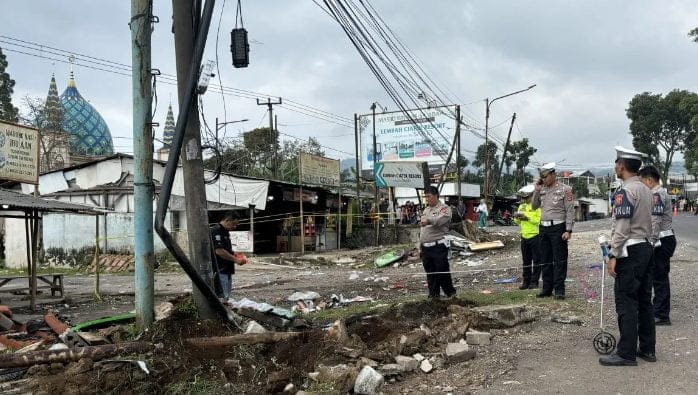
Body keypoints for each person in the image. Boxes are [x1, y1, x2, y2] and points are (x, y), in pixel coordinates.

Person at [599, 146, 655, 366]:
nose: (615, 166)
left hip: (629, 251)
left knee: (626, 302)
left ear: (621, 165)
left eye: (616, 162)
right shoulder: (646, 190)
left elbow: (622, 227)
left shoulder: (625, 192)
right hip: (646, 248)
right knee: (644, 301)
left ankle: (626, 353)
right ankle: (648, 349)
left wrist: (613, 254)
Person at [639, 165, 677, 326]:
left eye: (642, 182)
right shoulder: (657, 194)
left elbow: (655, 221)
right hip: (662, 240)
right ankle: (659, 311)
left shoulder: (657, 195)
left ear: (649, 180)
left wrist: (650, 241)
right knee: (658, 277)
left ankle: (662, 315)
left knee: (660, 278)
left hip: (661, 241)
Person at [531, 162, 575, 300]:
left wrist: (568, 230)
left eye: (546, 176)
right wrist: (537, 190)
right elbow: (534, 206)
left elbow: (570, 211)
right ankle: (547, 288)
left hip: (558, 228)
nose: (544, 179)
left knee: (559, 260)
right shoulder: (541, 188)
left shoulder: (565, 189)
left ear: (553, 174)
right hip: (543, 228)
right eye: (542, 177)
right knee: (545, 259)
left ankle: (559, 290)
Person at [419, 185, 457, 299]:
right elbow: (422, 229)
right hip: (426, 247)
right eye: (425, 197)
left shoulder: (444, 209)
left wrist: (429, 220)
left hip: (438, 246)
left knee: (442, 271)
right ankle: (434, 296)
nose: (427, 199)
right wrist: (419, 246)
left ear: (436, 196)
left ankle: (450, 294)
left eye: (429, 196)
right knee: (430, 273)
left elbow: (440, 221)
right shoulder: (426, 209)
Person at [210, 211, 247, 300]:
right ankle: (221, 313)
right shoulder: (216, 230)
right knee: (222, 297)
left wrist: (237, 255)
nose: (234, 227)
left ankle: (225, 311)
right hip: (220, 269)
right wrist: (236, 260)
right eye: (234, 224)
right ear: (228, 220)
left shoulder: (225, 231)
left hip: (226, 269)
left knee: (226, 296)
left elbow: (226, 249)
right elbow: (219, 251)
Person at [513, 185, 542, 290]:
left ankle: (534, 282)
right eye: (523, 198)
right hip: (524, 236)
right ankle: (526, 281)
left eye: (526, 197)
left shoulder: (537, 207)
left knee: (537, 261)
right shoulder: (522, 206)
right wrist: (517, 217)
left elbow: (539, 221)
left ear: (532, 196)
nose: (524, 199)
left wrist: (527, 217)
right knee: (526, 261)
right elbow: (517, 222)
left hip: (535, 236)